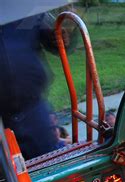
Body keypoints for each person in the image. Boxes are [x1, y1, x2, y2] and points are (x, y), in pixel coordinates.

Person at [0, 11, 74, 160]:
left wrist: (60, 38)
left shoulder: (25, 9)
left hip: (32, 110)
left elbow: (56, 41)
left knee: (50, 164)